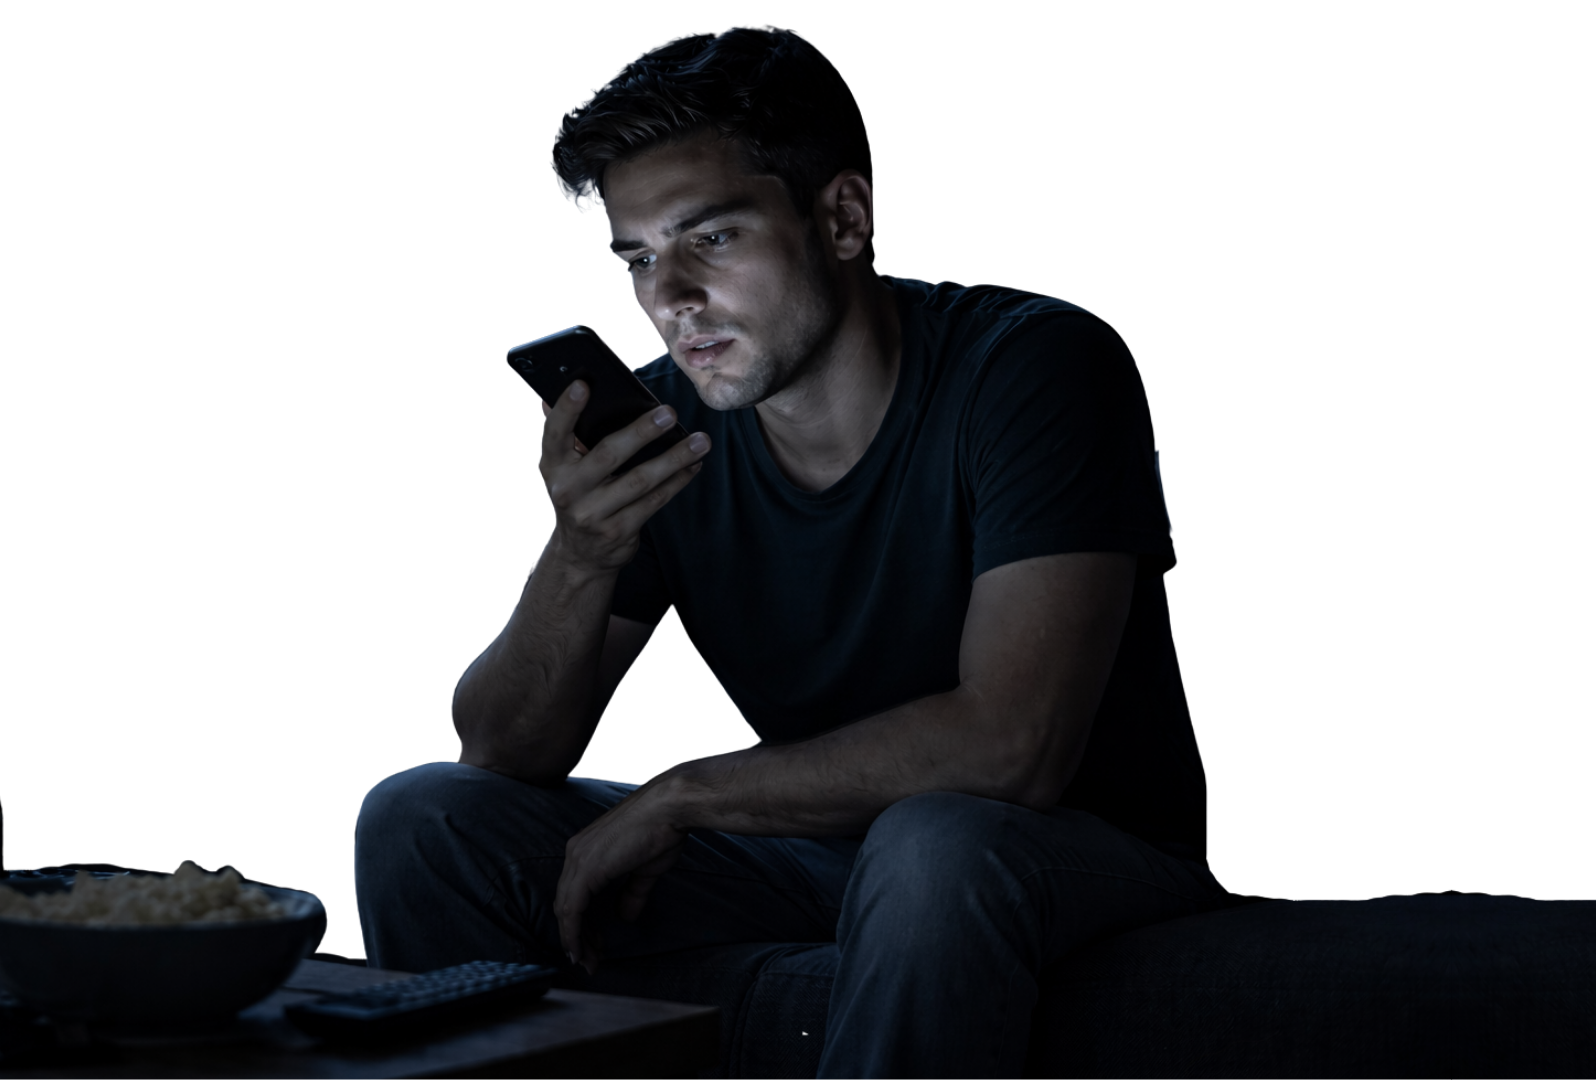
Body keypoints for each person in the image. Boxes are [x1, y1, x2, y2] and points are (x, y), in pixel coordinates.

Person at [356, 25, 1225, 1079]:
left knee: (934, 840)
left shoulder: (1033, 367)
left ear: (842, 216)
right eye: (638, 258)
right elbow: (497, 756)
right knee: (418, 813)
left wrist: (681, 796)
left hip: (1072, 851)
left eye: (710, 239)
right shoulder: (671, 431)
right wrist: (579, 553)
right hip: (815, 856)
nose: (669, 300)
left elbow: (1015, 745)